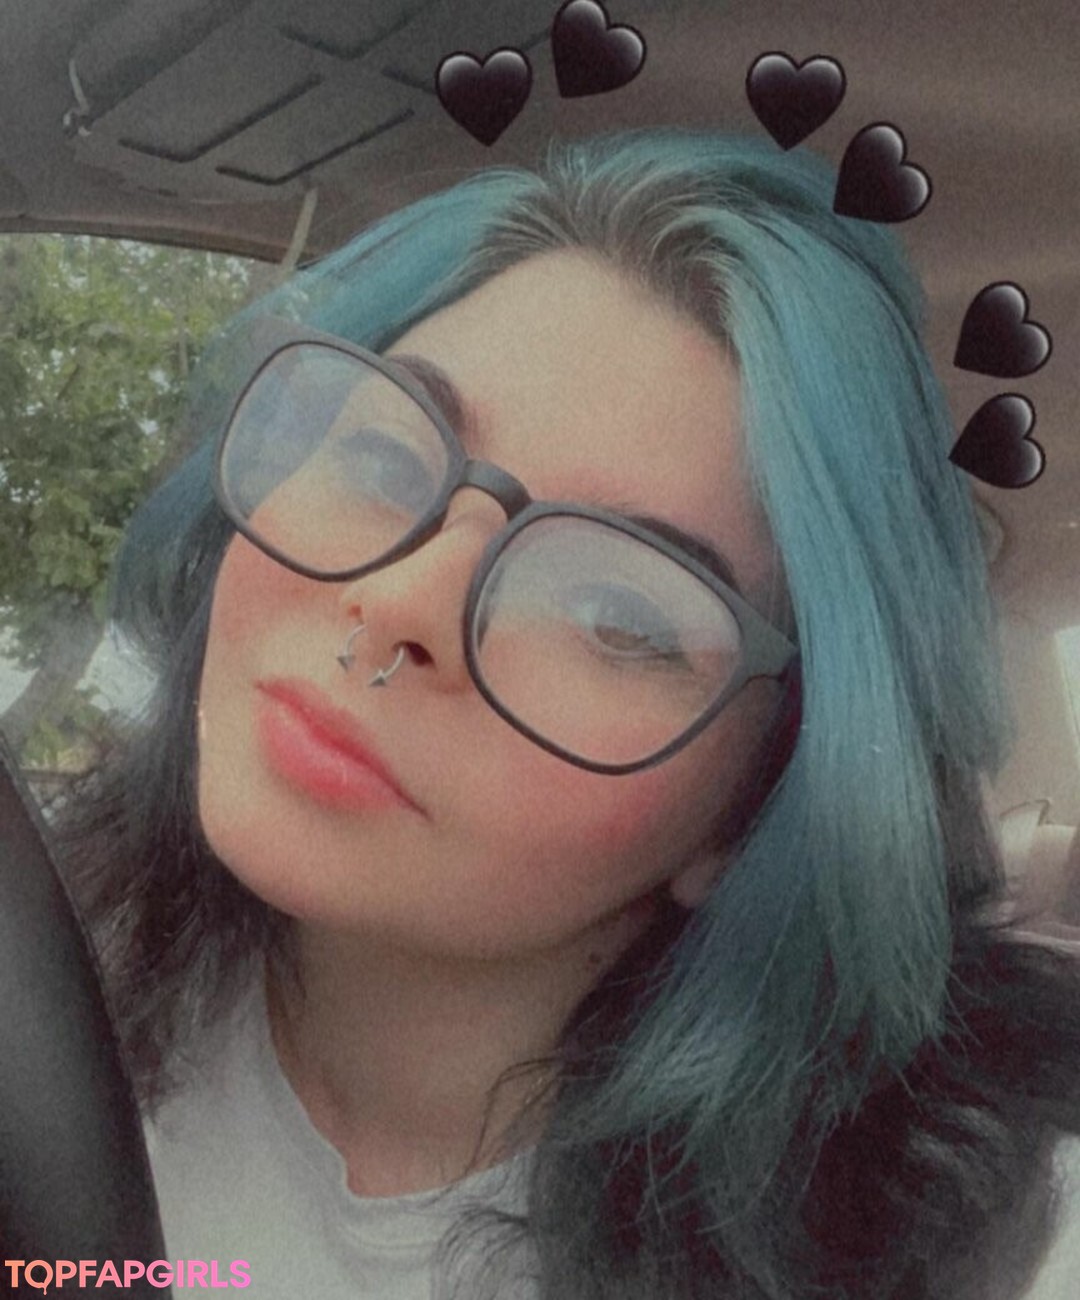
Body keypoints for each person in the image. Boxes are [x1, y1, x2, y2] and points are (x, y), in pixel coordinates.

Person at [57, 129, 1080, 1300]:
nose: (403, 599)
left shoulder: (995, 1247)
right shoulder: (40, 969)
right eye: (380, 458)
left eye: (617, 615)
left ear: (754, 808)